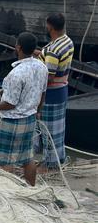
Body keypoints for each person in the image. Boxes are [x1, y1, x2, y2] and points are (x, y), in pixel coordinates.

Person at [0, 32, 48, 186]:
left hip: (12, 121)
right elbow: (43, 93)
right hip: (30, 118)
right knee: (27, 159)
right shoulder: (42, 67)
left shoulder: (15, 74)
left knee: (6, 161)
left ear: (18, 47)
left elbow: (10, 104)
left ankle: (9, 194)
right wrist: (37, 111)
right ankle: (31, 188)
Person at [34, 13, 73, 171]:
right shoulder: (67, 41)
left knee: (47, 130)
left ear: (50, 27)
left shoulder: (52, 50)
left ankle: (50, 165)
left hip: (50, 94)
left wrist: (38, 99)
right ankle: (58, 159)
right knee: (58, 130)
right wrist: (38, 54)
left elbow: (48, 78)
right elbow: (51, 58)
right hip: (62, 90)